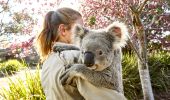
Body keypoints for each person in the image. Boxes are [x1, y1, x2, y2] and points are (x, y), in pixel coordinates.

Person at [36, 7, 126, 100]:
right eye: (78, 27)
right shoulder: (74, 59)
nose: (82, 31)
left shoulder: (48, 62)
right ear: (63, 30)